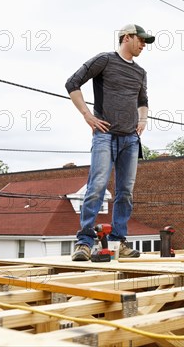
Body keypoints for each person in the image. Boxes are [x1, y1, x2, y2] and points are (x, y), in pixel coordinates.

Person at [65, 24, 155, 261]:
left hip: (130, 139)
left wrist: (143, 120)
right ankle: (84, 242)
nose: (143, 44)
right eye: (141, 40)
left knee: (125, 191)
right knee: (97, 186)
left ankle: (118, 241)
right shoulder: (104, 60)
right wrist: (87, 115)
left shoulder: (140, 72)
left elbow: (143, 100)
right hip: (104, 135)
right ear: (127, 37)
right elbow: (72, 84)